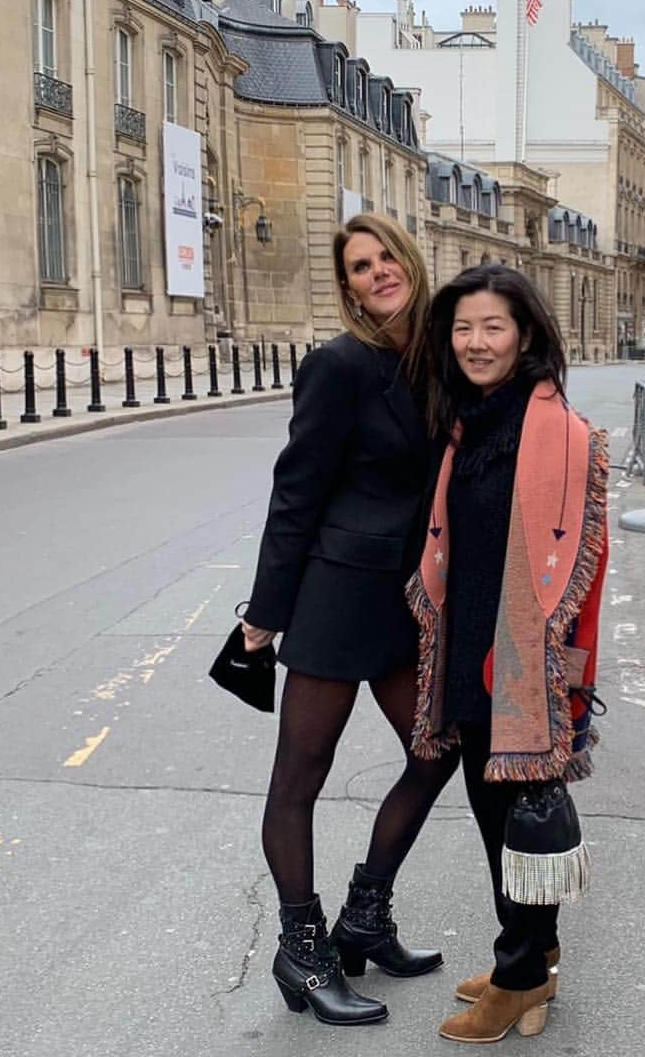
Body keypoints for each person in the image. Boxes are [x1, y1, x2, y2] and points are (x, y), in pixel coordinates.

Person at [241, 213, 459, 1027]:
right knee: (300, 776)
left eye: (384, 257)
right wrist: (267, 613)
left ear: (408, 260)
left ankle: (366, 915)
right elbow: (296, 488)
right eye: (359, 267)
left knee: (436, 752)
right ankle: (302, 952)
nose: (376, 273)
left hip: (405, 602)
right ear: (350, 288)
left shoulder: (434, 360)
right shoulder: (336, 366)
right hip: (336, 597)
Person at [407, 265, 609, 1044]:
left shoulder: (562, 433)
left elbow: (587, 567)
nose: (476, 342)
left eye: (492, 327)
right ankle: (533, 953)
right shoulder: (468, 422)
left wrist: (571, 678)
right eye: (463, 328)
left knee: (519, 816)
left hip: (526, 663)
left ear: (524, 333)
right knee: (495, 816)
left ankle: (520, 979)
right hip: (471, 650)